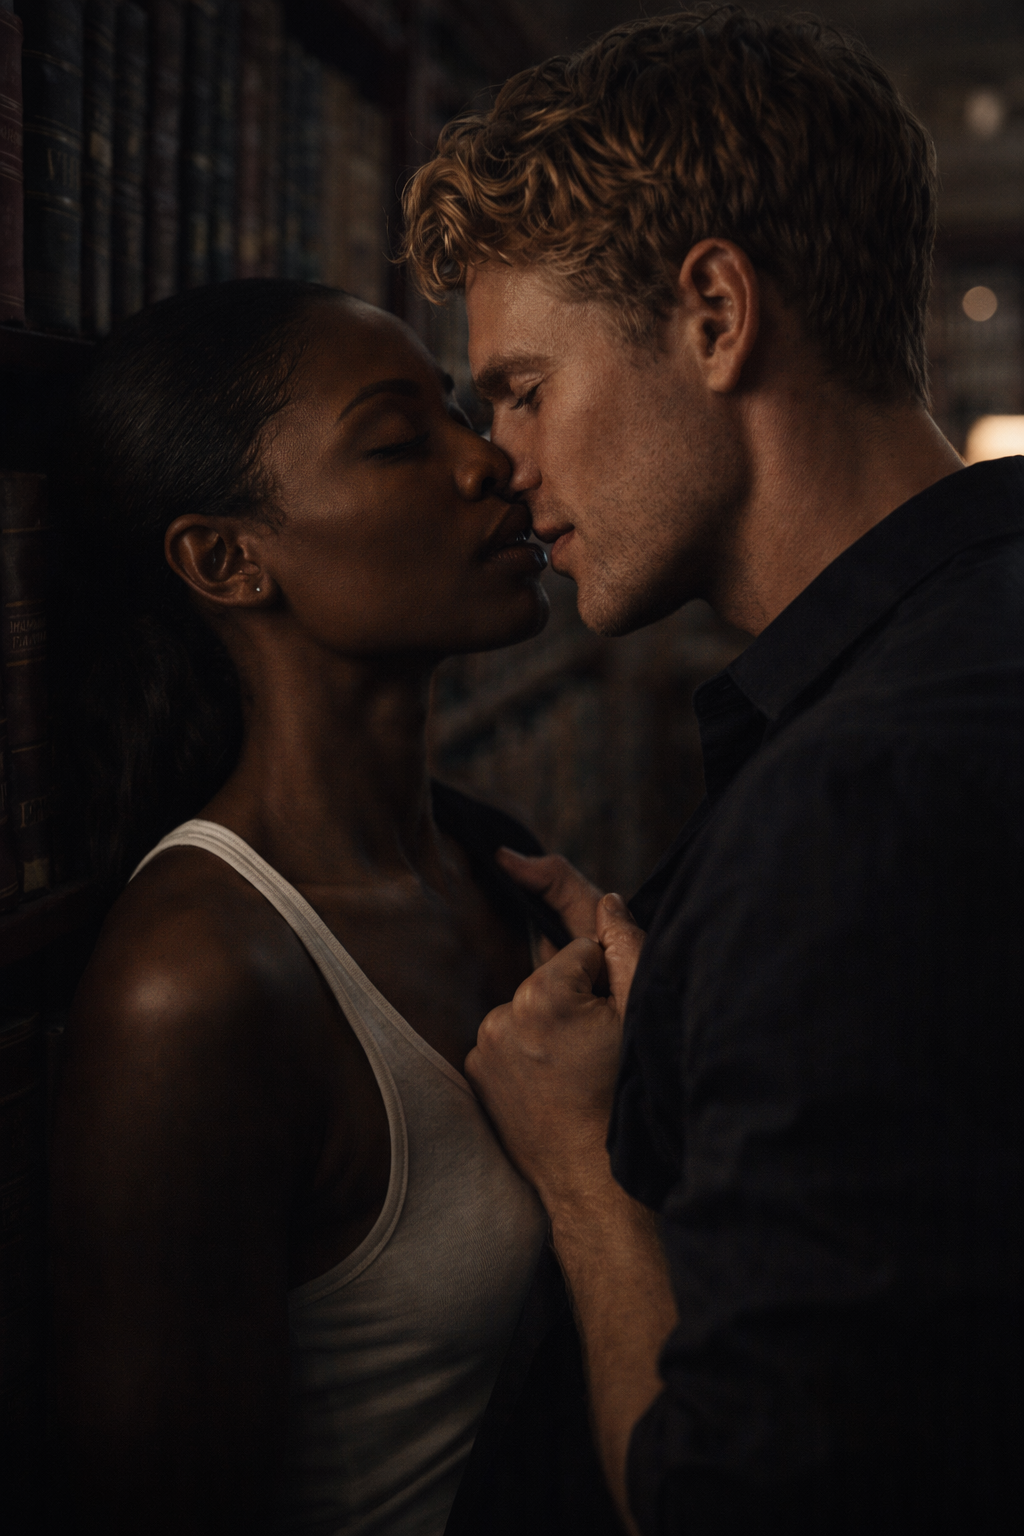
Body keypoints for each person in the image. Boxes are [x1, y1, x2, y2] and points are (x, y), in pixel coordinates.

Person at [402, 7, 1023, 1534]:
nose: (505, 467)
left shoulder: (845, 809)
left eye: (527, 390)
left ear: (715, 314)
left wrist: (579, 1171)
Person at [48, 279, 619, 1536]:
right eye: (401, 439)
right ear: (228, 559)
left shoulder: (501, 865)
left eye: (464, 415)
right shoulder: (197, 984)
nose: (494, 463)